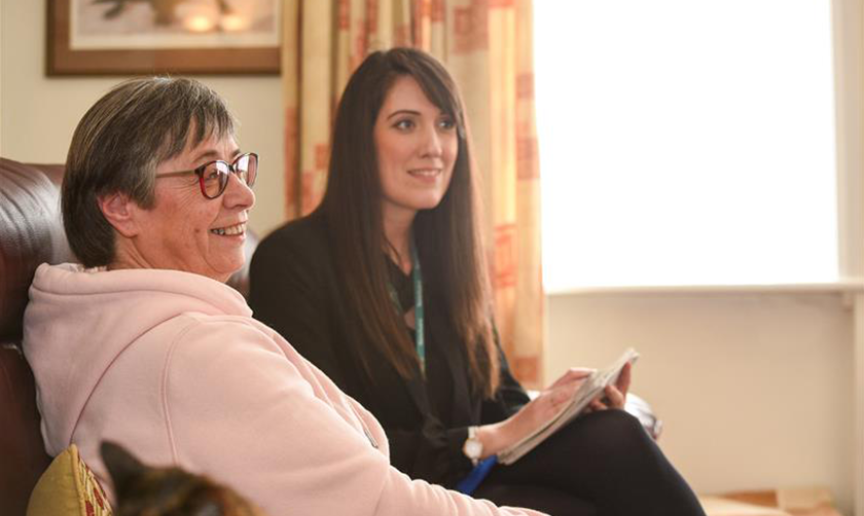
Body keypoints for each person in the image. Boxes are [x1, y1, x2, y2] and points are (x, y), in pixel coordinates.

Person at [22, 77, 547, 516]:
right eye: (210, 175)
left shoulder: (94, 325)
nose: (245, 195)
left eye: (237, 167)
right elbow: (381, 506)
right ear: (120, 207)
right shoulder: (192, 352)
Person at [249, 48, 707, 516]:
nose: (434, 146)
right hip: (391, 491)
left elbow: (500, 400)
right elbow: (334, 438)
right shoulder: (293, 259)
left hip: (472, 476)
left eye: (446, 124)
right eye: (406, 124)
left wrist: (562, 410)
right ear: (359, 141)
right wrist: (485, 439)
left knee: (613, 433)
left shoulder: (443, 256)